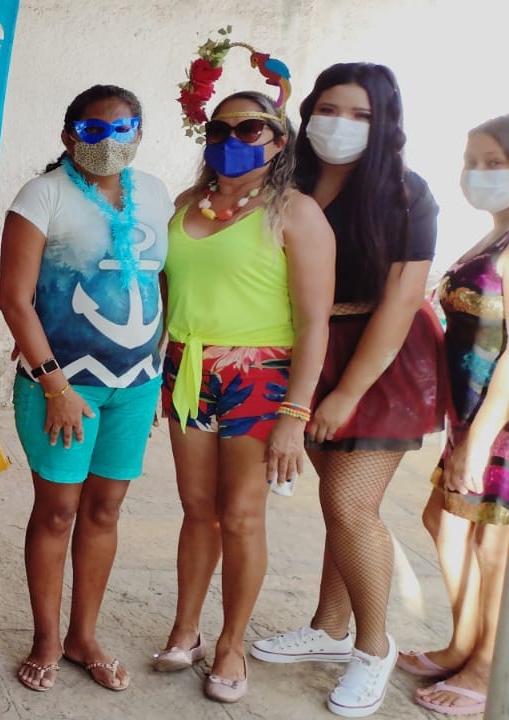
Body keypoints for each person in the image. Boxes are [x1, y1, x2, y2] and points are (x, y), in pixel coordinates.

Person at [249, 63, 444, 717]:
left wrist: (343, 393)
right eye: (330, 109)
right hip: (310, 349)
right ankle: (330, 628)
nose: (343, 124)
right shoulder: (287, 181)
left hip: (382, 359)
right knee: (335, 506)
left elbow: (402, 298)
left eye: (361, 114)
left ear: (385, 122)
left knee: (351, 504)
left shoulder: (407, 194)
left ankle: (373, 645)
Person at [157, 90, 333, 702]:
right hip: (185, 368)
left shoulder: (295, 213)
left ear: (278, 139)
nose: (233, 139)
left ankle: (232, 643)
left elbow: (315, 322)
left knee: (241, 514)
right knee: (196, 507)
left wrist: (294, 411)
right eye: (221, 127)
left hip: (258, 378)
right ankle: (186, 628)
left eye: (250, 128)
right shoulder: (183, 205)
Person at [0, 85, 172, 692]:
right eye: (93, 131)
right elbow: (14, 300)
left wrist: (156, 369)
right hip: (62, 386)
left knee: (105, 509)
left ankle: (84, 635)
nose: (108, 142)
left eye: (122, 129)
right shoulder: (41, 195)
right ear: (69, 134)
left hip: (134, 386)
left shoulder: (154, 193)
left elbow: (161, 285)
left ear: (140, 132)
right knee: (58, 511)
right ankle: (47, 638)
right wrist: (54, 385)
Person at [401, 115, 509, 715]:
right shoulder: (492, 234)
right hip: (469, 419)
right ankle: (462, 644)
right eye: (473, 161)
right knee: (444, 523)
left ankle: (487, 668)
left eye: (495, 162)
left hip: (498, 421)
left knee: (493, 546)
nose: (478, 174)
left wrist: (482, 434)